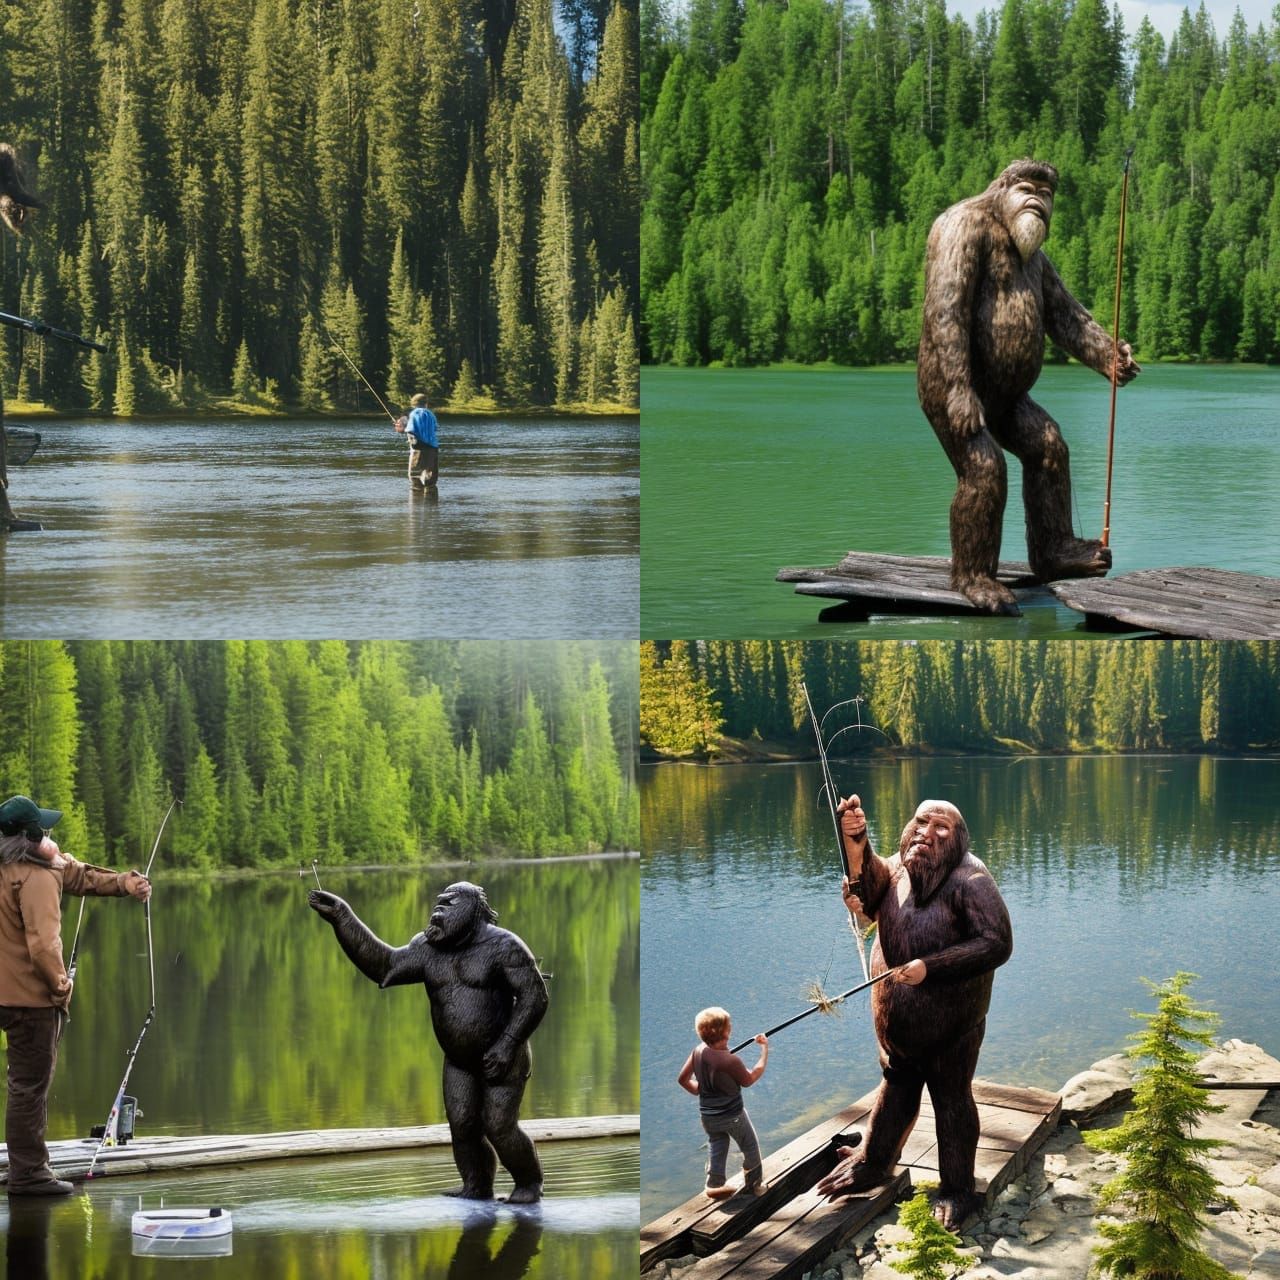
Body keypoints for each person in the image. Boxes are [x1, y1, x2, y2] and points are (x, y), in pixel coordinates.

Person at [816, 794, 1012, 1231]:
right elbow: (868, 890)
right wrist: (856, 841)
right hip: (898, 1027)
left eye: (941, 828)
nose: (927, 832)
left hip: (951, 1026)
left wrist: (932, 967)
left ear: (957, 841)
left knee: (951, 1100)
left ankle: (958, 1189)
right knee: (896, 1087)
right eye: (922, 822)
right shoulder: (900, 867)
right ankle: (874, 1162)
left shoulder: (970, 881)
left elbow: (997, 943)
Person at [309, 881, 548, 1202]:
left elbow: (535, 997)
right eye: (438, 903)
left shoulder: (504, 946)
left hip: (504, 1054)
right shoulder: (428, 948)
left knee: (499, 1127)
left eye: (448, 903)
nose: (438, 910)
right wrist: (342, 917)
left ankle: (529, 1184)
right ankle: (476, 1187)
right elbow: (384, 966)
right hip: (459, 1061)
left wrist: (508, 1043)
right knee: (462, 1126)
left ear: (474, 910)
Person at [0, 795, 152, 1196]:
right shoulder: (37, 877)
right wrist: (61, 987)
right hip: (30, 1000)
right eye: (43, 828)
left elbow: (79, 875)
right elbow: (44, 947)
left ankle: (24, 1167)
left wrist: (123, 882)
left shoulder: (33, 866)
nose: (49, 832)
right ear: (31, 835)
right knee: (29, 1087)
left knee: (22, 1085)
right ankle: (29, 1176)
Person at [677, 1006, 769, 1200]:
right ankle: (755, 1185)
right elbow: (750, 1079)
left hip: (708, 1116)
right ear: (726, 1031)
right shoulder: (730, 1061)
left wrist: (700, 1090)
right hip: (733, 1116)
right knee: (750, 1147)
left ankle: (714, 1185)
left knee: (718, 1143)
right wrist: (764, 1049)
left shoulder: (698, 1051)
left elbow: (683, 1080)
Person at [395, 392, 439, 487]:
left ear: (414, 403)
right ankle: (431, 498)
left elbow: (410, 430)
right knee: (430, 477)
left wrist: (401, 428)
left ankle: (417, 497)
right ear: (426, 403)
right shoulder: (431, 414)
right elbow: (435, 428)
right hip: (432, 447)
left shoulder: (414, 414)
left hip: (418, 448)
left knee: (415, 475)